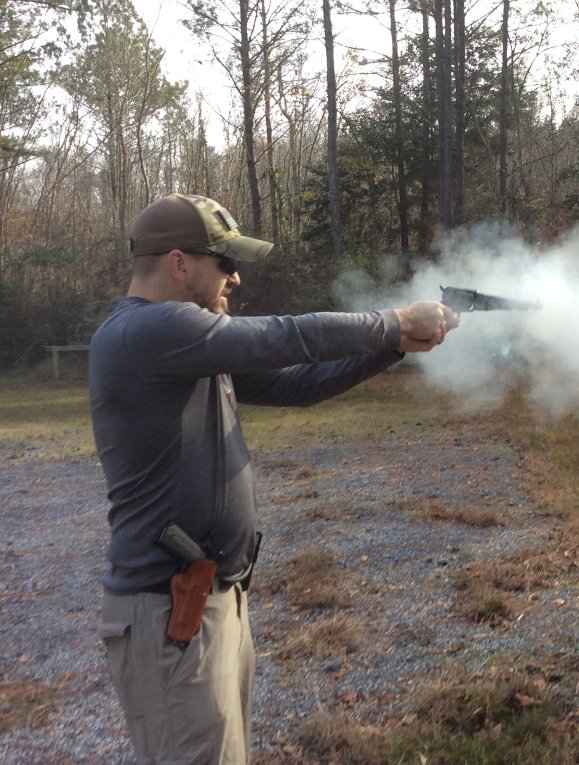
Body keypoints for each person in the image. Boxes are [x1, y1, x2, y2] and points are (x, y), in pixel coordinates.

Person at [89, 193, 458, 764]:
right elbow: (282, 336)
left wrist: (394, 347)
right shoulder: (149, 331)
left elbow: (297, 385)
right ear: (179, 263)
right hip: (168, 612)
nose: (235, 278)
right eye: (225, 263)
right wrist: (393, 321)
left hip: (210, 599)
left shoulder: (185, 346)